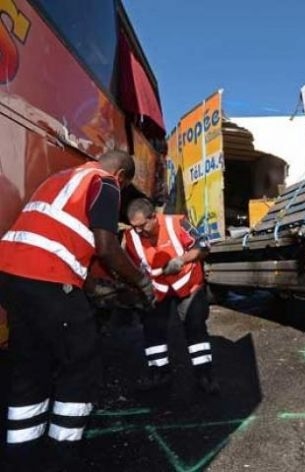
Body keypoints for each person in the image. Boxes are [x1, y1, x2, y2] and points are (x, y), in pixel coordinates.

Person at [0, 150, 155, 471]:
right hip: (46, 276)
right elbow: (106, 247)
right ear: (123, 176)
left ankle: (21, 458)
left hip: (11, 276)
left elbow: (64, 239)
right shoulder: (106, 183)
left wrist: (97, 286)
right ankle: (63, 456)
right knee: (82, 362)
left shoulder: (59, 179)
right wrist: (141, 283)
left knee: (31, 369)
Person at [123, 198, 219, 395]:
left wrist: (180, 260)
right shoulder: (131, 236)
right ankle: (159, 373)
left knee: (195, 327)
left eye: (142, 226)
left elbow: (203, 247)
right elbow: (129, 265)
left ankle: (204, 374)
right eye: (135, 227)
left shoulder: (176, 223)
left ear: (154, 217)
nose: (139, 231)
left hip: (188, 284)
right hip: (157, 288)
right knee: (153, 329)